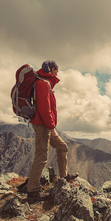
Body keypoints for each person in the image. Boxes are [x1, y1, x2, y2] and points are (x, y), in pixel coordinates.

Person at [27, 60, 69, 200]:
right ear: (51, 70)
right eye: (56, 70)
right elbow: (45, 109)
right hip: (42, 126)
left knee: (62, 147)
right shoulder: (43, 84)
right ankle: (32, 191)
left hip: (44, 124)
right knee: (42, 156)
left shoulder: (45, 82)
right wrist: (52, 129)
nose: (57, 73)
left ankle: (64, 179)